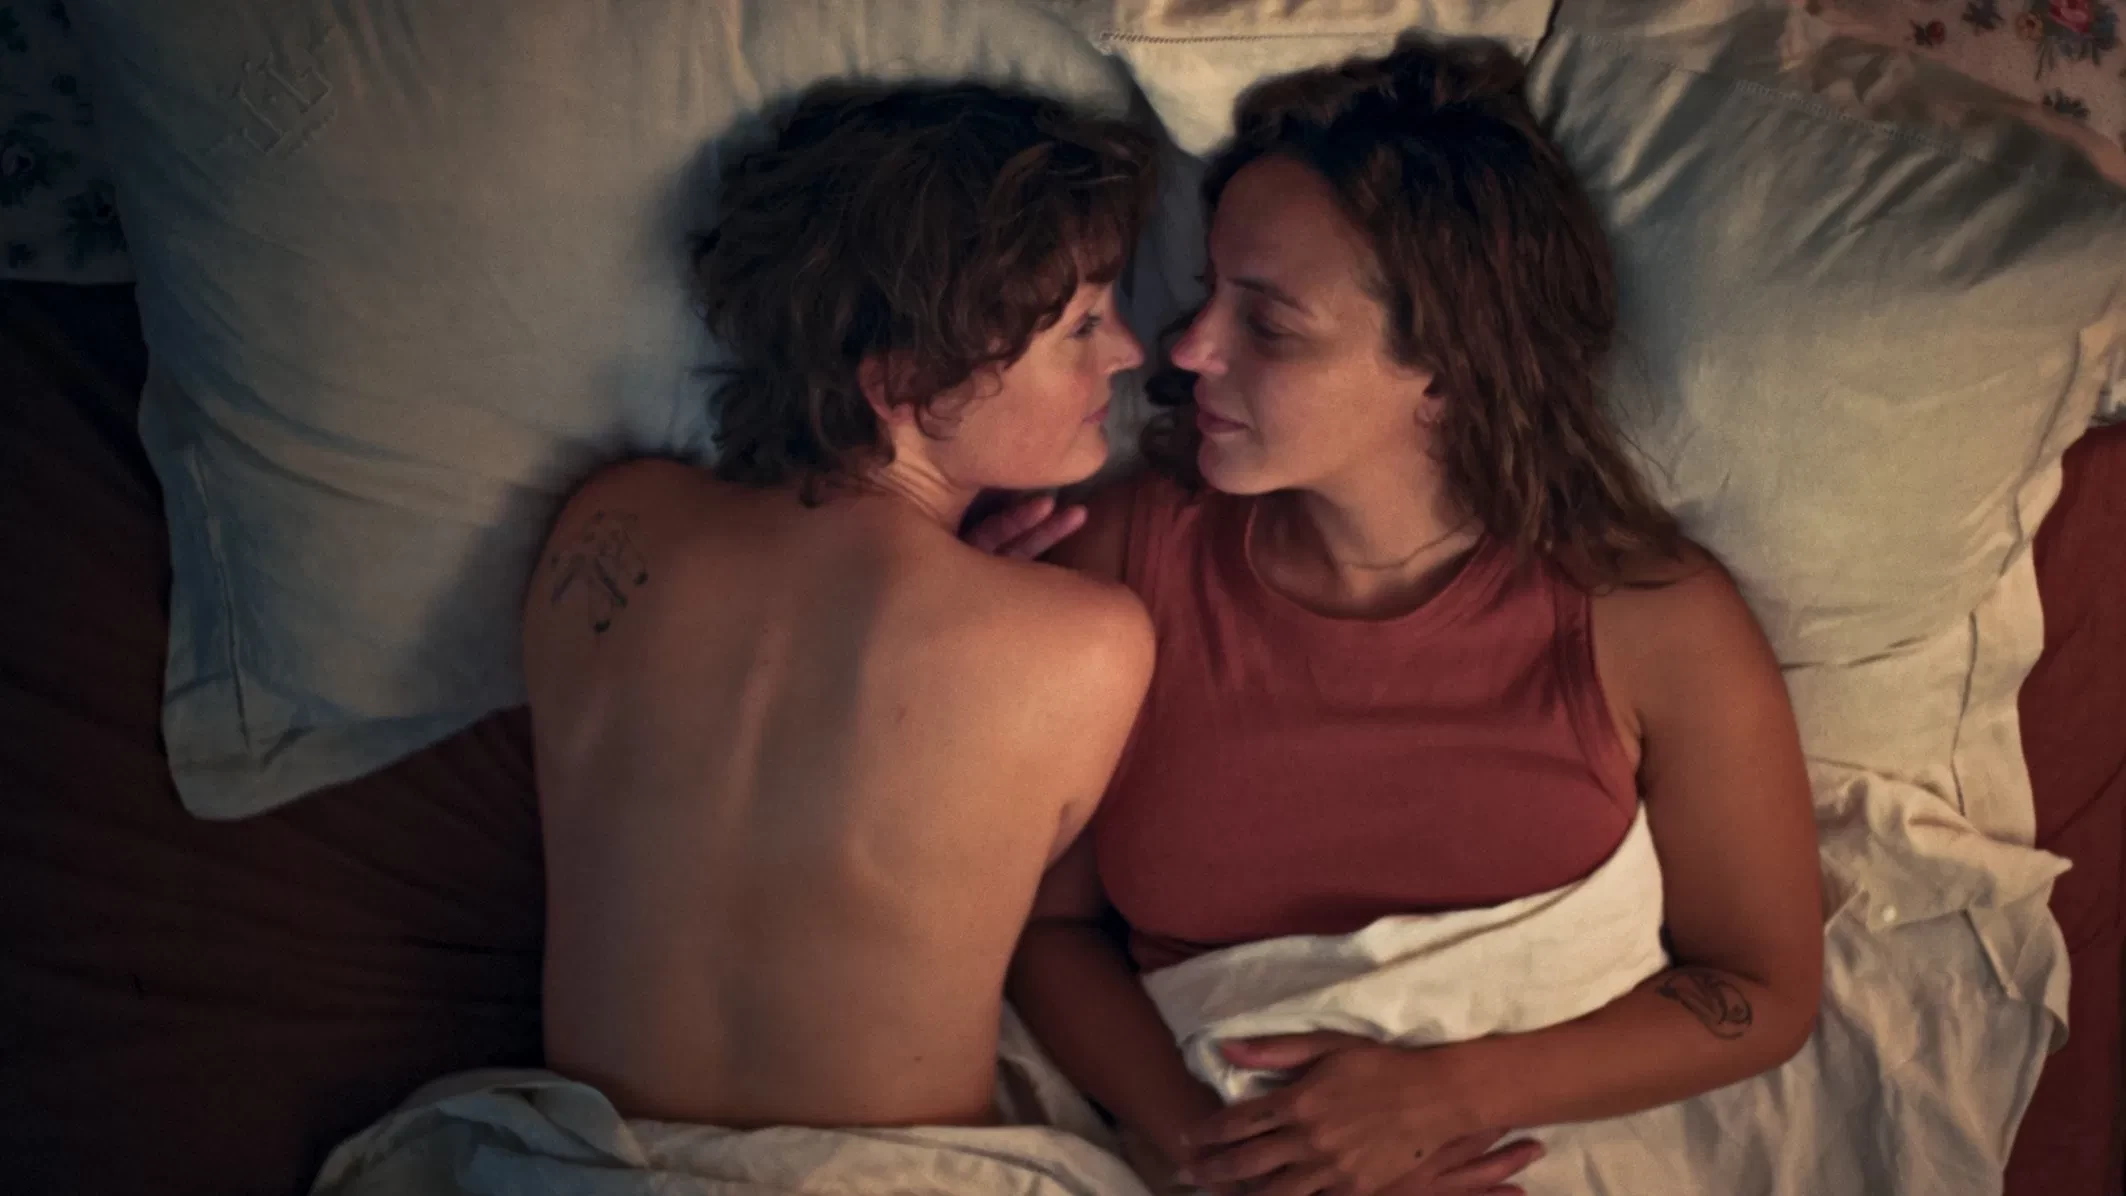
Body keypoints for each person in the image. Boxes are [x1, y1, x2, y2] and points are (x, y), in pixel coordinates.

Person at [998, 36, 1825, 1196]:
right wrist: (1227, 1153)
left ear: (1444, 362)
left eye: (1267, 324)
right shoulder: (1118, 564)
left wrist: (1444, 1095)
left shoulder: (1649, 620)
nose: (1185, 350)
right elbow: (1046, 933)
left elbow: (1760, 991)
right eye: (1205, 293)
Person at [521, 79, 1160, 1132]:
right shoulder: (1087, 640)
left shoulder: (611, 520)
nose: (1128, 351)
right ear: (902, 382)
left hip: (573, 1159)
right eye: (1082, 324)